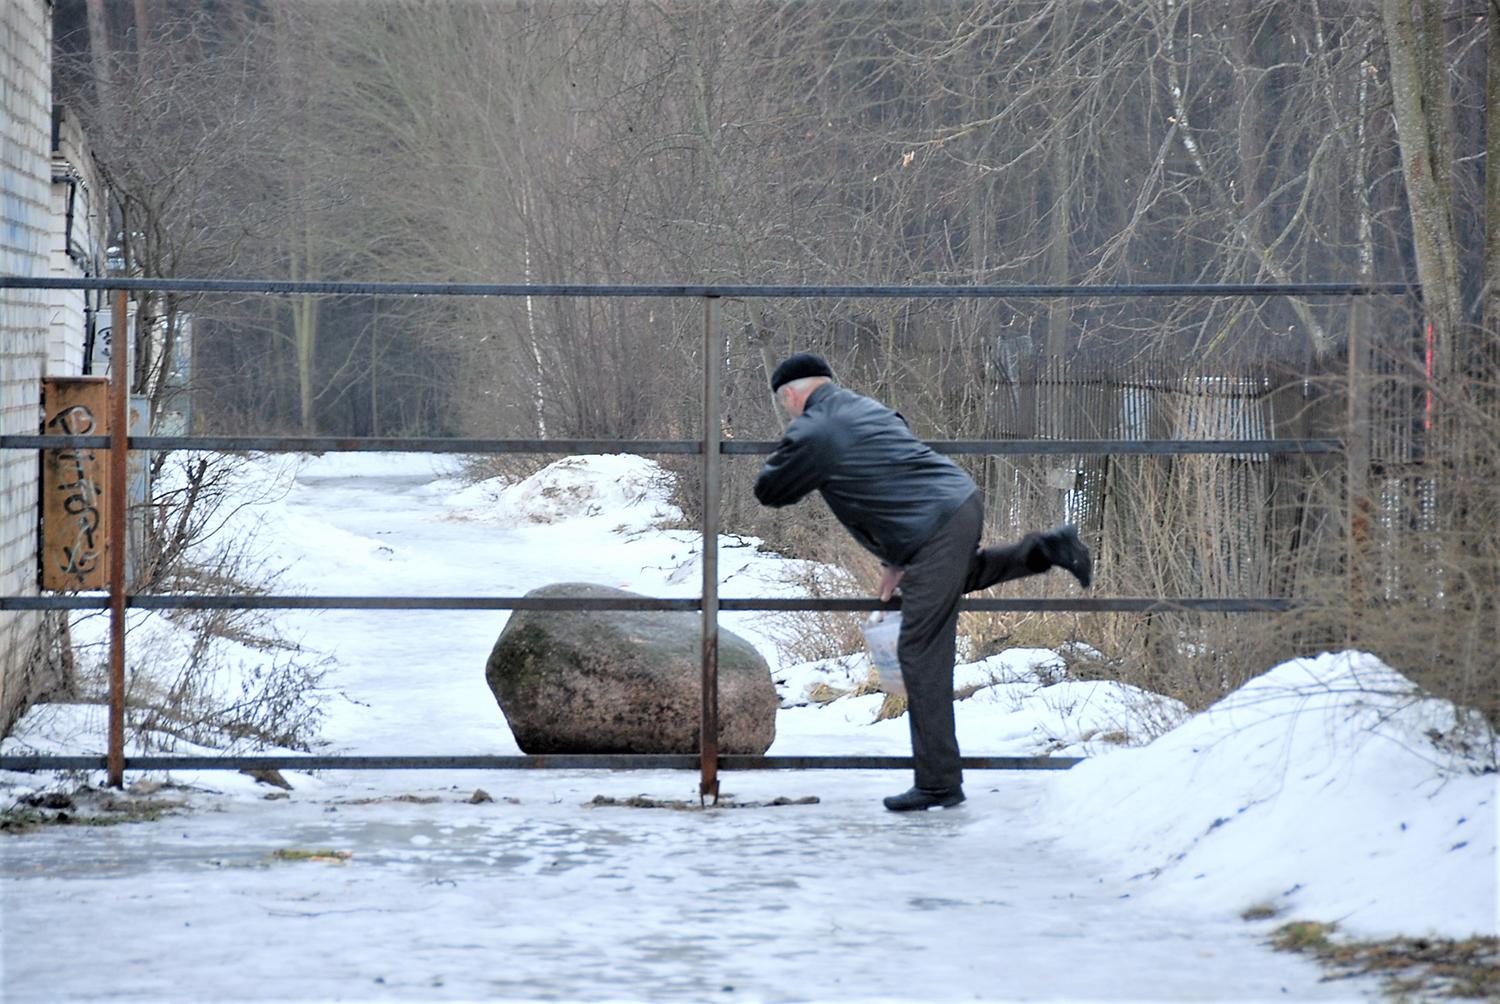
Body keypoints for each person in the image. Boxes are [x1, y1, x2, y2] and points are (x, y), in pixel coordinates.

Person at [753, 352, 1092, 812]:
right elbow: (895, 480)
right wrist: (899, 559)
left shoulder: (815, 429)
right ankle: (1047, 550)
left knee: (919, 652)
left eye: (784, 404)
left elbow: (771, 490)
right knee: (957, 576)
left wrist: (793, 449)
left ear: (791, 395)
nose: (788, 412)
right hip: (956, 503)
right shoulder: (867, 408)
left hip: (933, 527)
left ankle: (937, 783)